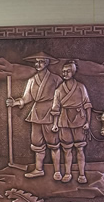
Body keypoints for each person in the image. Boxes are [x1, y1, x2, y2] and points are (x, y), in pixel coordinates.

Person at [6, 52, 63, 180]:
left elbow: (61, 98)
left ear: (47, 63)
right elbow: (26, 98)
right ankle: (38, 169)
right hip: (36, 113)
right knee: (37, 143)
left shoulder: (56, 79)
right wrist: (15, 102)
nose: (38, 64)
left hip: (51, 113)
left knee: (53, 143)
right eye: (36, 62)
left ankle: (57, 171)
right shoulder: (32, 80)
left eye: (41, 62)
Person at [51, 60, 92, 184]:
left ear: (73, 72)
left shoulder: (80, 87)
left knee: (80, 149)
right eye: (63, 71)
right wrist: (55, 124)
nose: (65, 73)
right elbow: (55, 108)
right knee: (67, 149)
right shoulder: (59, 90)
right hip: (64, 120)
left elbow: (87, 105)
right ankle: (68, 173)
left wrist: (88, 122)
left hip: (79, 120)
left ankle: (82, 174)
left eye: (68, 71)